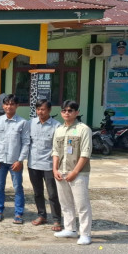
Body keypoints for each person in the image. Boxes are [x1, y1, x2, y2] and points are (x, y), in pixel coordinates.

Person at [52, 100, 94, 245]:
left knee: (82, 204)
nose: (67, 113)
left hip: (79, 173)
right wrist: (55, 169)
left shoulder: (83, 129)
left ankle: (85, 233)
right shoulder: (59, 129)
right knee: (66, 203)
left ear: (76, 112)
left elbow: (85, 154)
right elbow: (55, 151)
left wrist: (75, 172)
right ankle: (70, 229)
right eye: (64, 110)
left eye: (70, 110)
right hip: (61, 172)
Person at [0, 94, 30, 224]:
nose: (9, 106)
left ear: (17, 106)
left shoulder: (23, 123)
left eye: (12, 104)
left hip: (15, 161)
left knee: (18, 187)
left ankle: (18, 213)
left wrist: (20, 160)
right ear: (3, 105)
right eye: (6, 104)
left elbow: (26, 142)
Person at [27, 99, 62, 230]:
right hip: (33, 164)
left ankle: (57, 220)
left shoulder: (56, 126)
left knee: (53, 194)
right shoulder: (30, 123)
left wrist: (56, 166)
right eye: (38, 109)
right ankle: (42, 215)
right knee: (37, 192)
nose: (40, 112)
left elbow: (58, 148)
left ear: (49, 110)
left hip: (49, 165)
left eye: (43, 109)